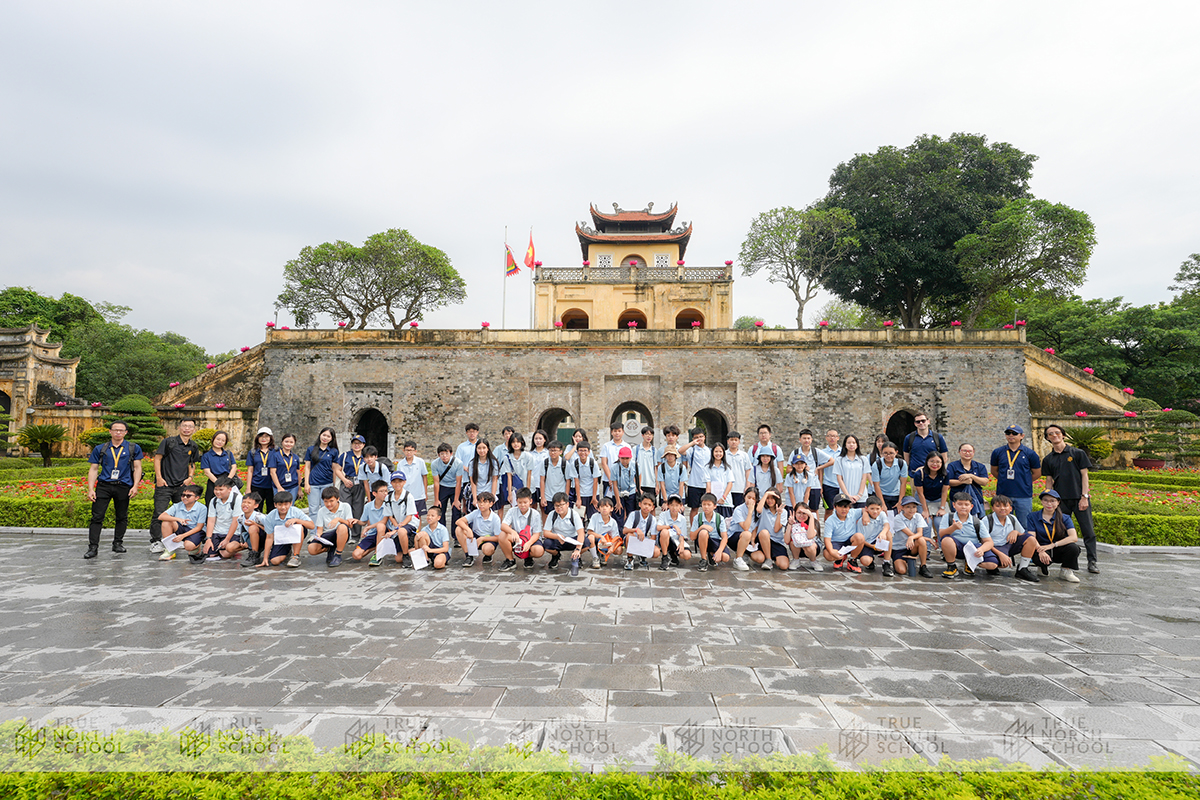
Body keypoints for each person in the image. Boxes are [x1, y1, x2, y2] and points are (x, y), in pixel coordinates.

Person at [1041, 424, 1099, 575]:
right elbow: (1049, 481)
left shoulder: (1077, 453)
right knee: (1057, 531)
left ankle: (1092, 561)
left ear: (1063, 435)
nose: (1054, 435)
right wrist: (1049, 500)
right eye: (1050, 434)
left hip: (1079, 498)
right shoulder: (1048, 459)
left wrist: (1084, 496)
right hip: (1060, 502)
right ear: (1047, 438)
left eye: (1057, 433)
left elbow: (1084, 475)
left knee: (1088, 531)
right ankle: (1054, 561)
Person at [84, 420, 143, 559]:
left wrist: (135, 486)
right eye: (115, 430)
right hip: (104, 485)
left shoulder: (133, 448)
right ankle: (93, 547)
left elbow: (138, 467)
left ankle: (118, 543)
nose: (118, 432)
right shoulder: (101, 448)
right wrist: (90, 489)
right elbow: (93, 468)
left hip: (123, 485)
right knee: (97, 517)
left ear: (126, 432)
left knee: (122, 516)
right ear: (110, 431)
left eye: (121, 430)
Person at [149, 419, 201, 553]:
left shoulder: (193, 446)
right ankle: (156, 541)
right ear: (179, 427)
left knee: (183, 512)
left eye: (190, 426)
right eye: (184, 426)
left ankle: (179, 539)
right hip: (165, 484)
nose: (187, 429)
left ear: (194, 429)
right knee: (159, 513)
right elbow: (158, 458)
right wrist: (159, 478)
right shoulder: (168, 442)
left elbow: (192, 463)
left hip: (182, 486)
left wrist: (190, 477)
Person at [1025, 489, 1082, 583]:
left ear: (1058, 502)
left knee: (1073, 548)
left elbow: (1073, 537)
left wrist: (1053, 545)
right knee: (1037, 555)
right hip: (1041, 548)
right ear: (1042, 502)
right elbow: (1031, 537)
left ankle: (1066, 571)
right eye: (1045, 500)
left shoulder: (1065, 517)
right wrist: (1040, 550)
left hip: (1057, 547)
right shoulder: (1032, 516)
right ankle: (1042, 567)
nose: (1049, 503)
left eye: (1052, 501)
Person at [982, 494, 1040, 582]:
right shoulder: (986, 520)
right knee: (996, 565)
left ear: (1010, 508)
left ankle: (1022, 569)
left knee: (1030, 538)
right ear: (992, 508)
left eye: (1005, 506)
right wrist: (1001, 555)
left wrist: (1015, 532)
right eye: (998, 506)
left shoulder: (1012, 518)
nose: (1002, 508)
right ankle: (989, 564)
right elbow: (983, 542)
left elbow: (1022, 533)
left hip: (1007, 546)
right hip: (991, 548)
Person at [990, 424, 1042, 522]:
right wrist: (1003, 479)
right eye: (1008, 433)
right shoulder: (997, 452)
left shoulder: (1030, 453)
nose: (1011, 435)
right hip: (1003, 494)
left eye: (1014, 433)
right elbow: (994, 471)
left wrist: (1024, 481)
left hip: (1023, 495)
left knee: (1024, 524)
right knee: (1002, 522)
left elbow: (1037, 473)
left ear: (1022, 436)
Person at [938, 492, 995, 579]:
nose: (963, 507)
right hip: (957, 548)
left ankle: (970, 563)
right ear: (954, 505)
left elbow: (989, 542)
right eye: (960, 504)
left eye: (966, 504)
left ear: (971, 506)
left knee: (992, 565)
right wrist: (953, 528)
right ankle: (952, 566)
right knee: (946, 540)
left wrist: (981, 550)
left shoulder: (977, 521)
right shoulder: (948, 517)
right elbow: (941, 534)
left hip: (973, 550)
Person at [533, 491, 588, 574]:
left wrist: (578, 549)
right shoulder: (552, 514)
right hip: (559, 540)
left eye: (561, 505)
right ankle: (556, 556)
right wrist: (557, 536)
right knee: (547, 543)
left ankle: (577, 556)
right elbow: (546, 533)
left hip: (573, 539)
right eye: (556, 505)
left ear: (567, 504)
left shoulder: (574, 514)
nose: (559, 508)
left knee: (587, 542)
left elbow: (581, 533)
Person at [455, 491, 513, 569]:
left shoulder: (495, 518)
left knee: (488, 549)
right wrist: (468, 530)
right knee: (459, 529)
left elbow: (498, 537)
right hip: (475, 536)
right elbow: (458, 521)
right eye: (479, 502)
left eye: (485, 502)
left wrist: (483, 538)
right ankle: (468, 555)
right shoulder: (475, 513)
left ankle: (488, 556)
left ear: (491, 504)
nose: (481, 504)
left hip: (489, 539)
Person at [257, 491, 314, 568]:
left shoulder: (295, 511)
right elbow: (269, 537)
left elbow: (312, 525)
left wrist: (296, 520)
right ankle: (287, 552)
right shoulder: (270, 517)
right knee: (274, 561)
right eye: (280, 505)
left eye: (286, 504)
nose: (283, 507)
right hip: (281, 539)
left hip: (296, 535)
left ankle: (295, 556)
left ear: (290, 503)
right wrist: (265, 559)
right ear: (275, 505)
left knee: (299, 527)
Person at [156, 484, 207, 562]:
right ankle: (170, 550)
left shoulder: (202, 508)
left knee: (189, 546)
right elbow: (161, 516)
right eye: (183, 495)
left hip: (195, 531)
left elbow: (199, 527)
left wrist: (182, 536)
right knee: (166, 522)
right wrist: (178, 519)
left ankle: (196, 548)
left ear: (197, 498)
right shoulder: (178, 505)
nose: (185, 498)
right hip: (181, 527)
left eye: (188, 496)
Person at [309, 486, 355, 567]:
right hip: (328, 536)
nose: (329, 504)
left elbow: (350, 525)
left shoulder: (345, 506)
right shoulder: (321, 511)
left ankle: (338, 555)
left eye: (331, 501)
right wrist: (318, 535)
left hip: (342, 533)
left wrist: (339, 519)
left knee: (342, 527)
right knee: (311, 549)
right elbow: (320, 528)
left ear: (338, 499)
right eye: (326, 501)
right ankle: (330, 549)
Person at [351, 480, 393, 564]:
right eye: (382, 491)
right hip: (373, 534)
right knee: (356, 555)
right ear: (374, 493)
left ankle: (377, 554)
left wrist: (368, 527)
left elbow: (383, 522)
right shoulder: (368, 506)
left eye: (386, 491)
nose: (385, 493)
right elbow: (363, 522)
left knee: (380, 526)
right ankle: (375, 547)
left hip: (385, 532)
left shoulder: (388, 504)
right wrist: (356, 521)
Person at [201, 476, 242, 561]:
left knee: (226, 553)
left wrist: (227, 539)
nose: (217, 492)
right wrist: (208, 539)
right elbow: (211, 520)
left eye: (221, 490)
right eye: (216, 489)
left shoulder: (237, 499)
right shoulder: (214, 501)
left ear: (229, 489)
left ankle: (242, 546)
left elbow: (235, 521)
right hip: (218, 532)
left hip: (233, 533)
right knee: (209, 554)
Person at [456, 439, 499, 519]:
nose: (481, 450)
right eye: (479, 448)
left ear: (488, 449)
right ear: (476, 449)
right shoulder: (472, 463)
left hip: (489, 493)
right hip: (477, 493)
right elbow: (473, 482)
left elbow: (494, 480)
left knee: (489, 517)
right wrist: (475, 498)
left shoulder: (493, 463)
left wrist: (492, 496)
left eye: (484, 448)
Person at [821, 494, 865, 573]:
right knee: (828, 555)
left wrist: (865, 515)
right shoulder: (830, 520)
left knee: (860, 537)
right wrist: (831, 551)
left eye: (846, 507)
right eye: (840, 506)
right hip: (836, 542)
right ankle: (840, 558)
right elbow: (827, 539)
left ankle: (852, 560)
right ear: (835, 507)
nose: (844, 509)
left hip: (850, 541)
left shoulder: (853, 513)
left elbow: (865, 509)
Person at [890, 497, 932, 578]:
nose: (911, 509)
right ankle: (901, 562)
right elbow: (909, 533)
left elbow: (920, 533)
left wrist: (911, 538)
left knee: (921, 540)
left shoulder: (918, 516)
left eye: (914, 507)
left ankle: (923, 566)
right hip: (899, 548)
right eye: (908, 507)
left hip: (912, 546)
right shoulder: (898, 518)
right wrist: (926, 538)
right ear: (902, 508)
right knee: (901, 571)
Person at [303, 428, 339, 520]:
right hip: (313, 484)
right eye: (324, 435)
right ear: (320, 435)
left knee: (327, 508)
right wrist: (306, 483)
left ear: (332, 438)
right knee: (313, 510)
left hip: (327, 483)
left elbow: (334, 469)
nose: (325, 438)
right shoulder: (311, 449)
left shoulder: (333, 451)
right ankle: (314, 532)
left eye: (328, 436)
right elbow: (307, 467)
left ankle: (326, 531)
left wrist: (334, 485)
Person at [335, 434, 367, 537]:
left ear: (363, 445)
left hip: (360, 483)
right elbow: (337, 470)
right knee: (345, 507)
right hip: (347, 481)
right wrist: (344, 480)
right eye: (355, 443)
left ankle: (355, 534)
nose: (357, 445)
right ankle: (345, 533)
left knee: (358, 508)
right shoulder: (345, 455)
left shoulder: (365, 457)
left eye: (359, 443)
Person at [502, 487, 542, 569]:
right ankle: (510, 560)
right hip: (516, 539)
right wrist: (513, 532)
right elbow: (503, 525)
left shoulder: (535, 514)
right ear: (516, 501)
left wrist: (529, 543)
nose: (522, 505)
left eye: (525, 502)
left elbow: (537, 534)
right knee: (502, 535)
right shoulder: (512, 511)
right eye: (520, 502)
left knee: (539, 551)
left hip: (530, 539)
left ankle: (528, 557)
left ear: (530, 501)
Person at [946, 443, 990, 517]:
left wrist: (972, 476)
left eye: (970, 451)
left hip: (976, 498)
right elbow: (948, 481)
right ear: (959, 452)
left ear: (973, 452)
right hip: (957, 499)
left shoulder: (980, 466)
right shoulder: (952, 466)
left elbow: (985, 482)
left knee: (977, 522)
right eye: (964, 451)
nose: (967, 453)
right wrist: (962, 482)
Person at [678, 427, 712, 524]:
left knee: (708, 508)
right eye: (696, 437)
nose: (699, 439)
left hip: (707, 484)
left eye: (701, 436)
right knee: (694, 508)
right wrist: (693, 443)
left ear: (704, 437)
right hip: (694, 483)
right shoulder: (691, 450)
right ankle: (693, 529)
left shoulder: (709, 451)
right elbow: (680, 450)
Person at [749, 489, 788, 572]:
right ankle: (768, 559)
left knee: (784, 566)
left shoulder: (783, 511)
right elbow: (758, 509)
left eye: (772, 498)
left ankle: (773, 557)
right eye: (768, 498)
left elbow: (776, 529)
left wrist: (779, 514)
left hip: (776, 541)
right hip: (763, 539)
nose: (769, 500)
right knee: (764, 532)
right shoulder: (763, 509)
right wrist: (766, 493)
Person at [856, 496, 895, 576]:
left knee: (888, 534)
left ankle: (886, 563)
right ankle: (870, 561)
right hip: (867, 544)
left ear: (881, 509)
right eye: (872, 508)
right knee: (865, 561)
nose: (875, 511)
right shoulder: (862, 521)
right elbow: (861, 539)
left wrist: (883, 533)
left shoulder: (882, 514)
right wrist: (872, 546)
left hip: (878, 540)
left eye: (877, 509)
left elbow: (887, 525)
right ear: (866, 508)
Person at [692, 492, 728, 572]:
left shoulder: (720, 518)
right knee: (703, 532)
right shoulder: (698, 517)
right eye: (704, 504)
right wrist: (701, 527)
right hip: (702, 540)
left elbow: (724, 537)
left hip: (715, 541)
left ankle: (711, 554)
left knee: (725, 557)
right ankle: (703, 559)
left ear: (715, 506)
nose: (706, 507)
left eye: (709, 504)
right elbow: (692, 537)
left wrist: (719, 551)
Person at [727, 487, 760, 571]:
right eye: (749, 497)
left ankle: (744, 553)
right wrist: (750, 511)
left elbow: (755, 526)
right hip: (735, 537)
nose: (751, 500)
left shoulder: (757, 510)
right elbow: (746, 527)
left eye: (753, 498)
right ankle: (738, 559)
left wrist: (753, 539)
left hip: (748, 539)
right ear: (744, 497)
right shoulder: (739, 509)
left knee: (760, 558)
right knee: (746, 533)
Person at [431, 443, 463, 532]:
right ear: (438, 455)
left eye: (447, 453)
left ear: (451, 454)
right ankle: (441, 533)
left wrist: (456, 499)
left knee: (456, 510)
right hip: (443, 487)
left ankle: (456, 535)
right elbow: (436, 482)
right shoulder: (435, 464)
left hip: (455, 488)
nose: (444, 456)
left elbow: (458, 482)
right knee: (440, 510)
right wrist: (436, 499)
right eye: (442, 454)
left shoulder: (458, 463)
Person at [200, 431, 238, 505]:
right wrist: (218, 484)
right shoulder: (206, 455)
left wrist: (228, 481)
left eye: (223, 440)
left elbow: (234, 467)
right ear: (213, 439)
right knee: (212, 504)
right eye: (218, 439)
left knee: (230, 504)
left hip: (227, 480)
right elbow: (207, 472)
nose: (220, 442)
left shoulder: (228, 454)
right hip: (213, 482)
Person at [833, 435, 871, 508]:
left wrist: (859, 495)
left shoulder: (863, 459)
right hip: (844, 497)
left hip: (861, 497)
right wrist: (848, 496)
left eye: (853, 442)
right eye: (849, 442)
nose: (851, 445)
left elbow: (864, 478)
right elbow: (839, 479)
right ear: (845, 445)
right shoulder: (839, 460)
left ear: (857, 445)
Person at [870, 441, 909, 513]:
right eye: (885, 453)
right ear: (881, 453)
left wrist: (900, 502)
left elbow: (903, 483)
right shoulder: (877, 465)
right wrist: (882, 504)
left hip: (895, 495)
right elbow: (876, 485)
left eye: (891, 453)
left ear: (896, 452)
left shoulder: (902, 464)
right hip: (880, 494)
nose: (888, 456)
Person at [912, 452, 951, 524]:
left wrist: (942, 508)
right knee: (926, 522)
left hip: (938, 500)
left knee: (940, 522)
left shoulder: (945, 474)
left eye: (938, 462)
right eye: (932, 461)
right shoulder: (919, 474)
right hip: (923, 500)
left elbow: (944, 492)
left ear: (942, 463)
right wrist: (925, 510)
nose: (935, 464)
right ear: (927, 462)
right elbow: (920, 494)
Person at [788, 429, 822, 509]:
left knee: (814, 510)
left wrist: (818, 468)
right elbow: (788, 469)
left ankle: (814, 522)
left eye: (808, 438)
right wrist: (800, 468)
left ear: (811, 439)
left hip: (814, 485)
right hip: (799, 485)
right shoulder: (795, 452)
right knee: (800, 508)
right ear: (800, 440)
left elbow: (831, 461)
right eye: (804, 438)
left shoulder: (816, 452)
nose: (806, 440)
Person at [656, 493, 693, 569]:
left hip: (676, 541)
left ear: (681, 506)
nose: (674, 508)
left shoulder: (682, 518)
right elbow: (658, 527)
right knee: (664, 531)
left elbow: (682, 535)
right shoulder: (663, 515)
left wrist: (682, 543)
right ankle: (665, 557)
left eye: (677, 505)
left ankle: (673, 555)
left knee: (687, 555)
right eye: (672, 505)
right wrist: (672, 526)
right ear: (668, 505)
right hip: (664, 539)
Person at [245, 427, 277, 514]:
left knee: (272, 509)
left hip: (271, 485)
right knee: (257, 509)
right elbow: (250, 471)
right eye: (261, 436)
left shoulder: (276, 451)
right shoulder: (253, 452)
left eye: (266, 436)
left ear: (271, 438)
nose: (264, 438)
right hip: (257, 484)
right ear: (257, 438)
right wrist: (248, 488)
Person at [230, 493, 267, 567]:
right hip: (252, 539)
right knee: (230, 548)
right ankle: (251, 550)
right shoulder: (240, 518)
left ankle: (255, 554)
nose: (245, 504)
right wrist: (243, 542)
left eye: (249, 503)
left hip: (264, 540)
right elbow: (242, 531)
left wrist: (255, 524)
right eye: (244, 502)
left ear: (256, 506)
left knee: (252, 528)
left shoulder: (259, 517)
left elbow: (271, 530)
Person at [395, 440, 430, 516]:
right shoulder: (400, 464)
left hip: (418, 495)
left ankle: (418, 529)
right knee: (405, 515)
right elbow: (398, 480)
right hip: (405, 494)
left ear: (415, 451)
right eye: (407, 450)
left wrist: (425, 493)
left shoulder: (420, 462)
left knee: (418, 516)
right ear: (403, 451)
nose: (409, 452)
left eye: (411, 450)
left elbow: (424, 477)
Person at [539, 440, 574, 515]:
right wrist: (542, 497)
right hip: (548, 496)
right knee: (548, 516)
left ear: (560, 452)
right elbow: (542, 480)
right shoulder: (545, 463)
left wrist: (566, 497)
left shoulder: (565, 464)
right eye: (551, 450)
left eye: (555, 450)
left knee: (561, 515)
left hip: (561, 495)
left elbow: (568, 481)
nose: (553, 453)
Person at [786, 503, 822, 571]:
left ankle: (813, 560)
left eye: (804, 513)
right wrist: (790, 524)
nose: (801, 515)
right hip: (797, 547)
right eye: (799, 513)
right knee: (792, 542)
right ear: (795, 513)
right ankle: (796, 560)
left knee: (809, 546)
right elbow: (786, 541)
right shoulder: (792, 522)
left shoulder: (814, 522)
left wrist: (811, 517)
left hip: (812, 548)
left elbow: (810, 536)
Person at [815, 429, 841, 517]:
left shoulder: (843, 452)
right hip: (828, 484)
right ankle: (827, 530)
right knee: (829, 510)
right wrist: (820, 485)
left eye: (834, 436)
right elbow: (820, 471)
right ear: (826, 438)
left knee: (843, 509)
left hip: (842, 485)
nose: (832, 438)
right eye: (830, 436)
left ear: (838, 438)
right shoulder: (822, 452)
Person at [268, 433, 302, 502]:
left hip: (293, 487)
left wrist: (299, 489)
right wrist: (279, 487)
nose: (288, 444)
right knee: (280, 507)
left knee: (290, 507)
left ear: (294, 443)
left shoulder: (295, 457)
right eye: (286, 441)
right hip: (280, 486)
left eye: (291, 442)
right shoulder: (275, 456)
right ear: (282, 442)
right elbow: (272, 472)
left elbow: (298, 473)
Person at [704, 442, 735, 518]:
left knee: (726, 523)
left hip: (725, 500)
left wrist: (723, 497)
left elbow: (730, 483)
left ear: (724, 453)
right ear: (712, 453)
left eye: (720, 451)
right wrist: (710, 500)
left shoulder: (727, 468)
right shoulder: (707, 468)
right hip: (713, 502)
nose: (718, 454)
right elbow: (708, 484)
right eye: (716, 451)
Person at [572, 440, 601, 514]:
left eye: (585, 450)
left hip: (593, 493)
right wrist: (578, 498)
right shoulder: (575, 464)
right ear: (577, 452)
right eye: (580, 450)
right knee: (580, 516)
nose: (583, 453)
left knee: (593, 516)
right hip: (581, 493)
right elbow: (576, 481)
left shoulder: (593, 463)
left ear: (589, 452)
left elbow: (595, 480)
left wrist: (594, 497)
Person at [725, 431, 752, 510]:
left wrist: (747, 485)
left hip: (740, 487)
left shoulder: (744, 455)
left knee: (739, 510)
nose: (734, 442)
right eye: (732, 440)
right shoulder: (724, 455)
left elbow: (748, 470)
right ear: (728, 441)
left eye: (736, 440)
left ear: (739, 442)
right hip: (727, 489)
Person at [633, 426, 659, 499]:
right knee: (639, 506)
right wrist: (635, 484)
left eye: (651, 434)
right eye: (647, 434)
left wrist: (657, 485)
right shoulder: (636, 449)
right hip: (639, 483)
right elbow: (632, 468)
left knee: (652, 506)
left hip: (651, 483)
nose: (649, 436)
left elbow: (655, 468)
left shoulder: (654, 450)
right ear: (642, 435)